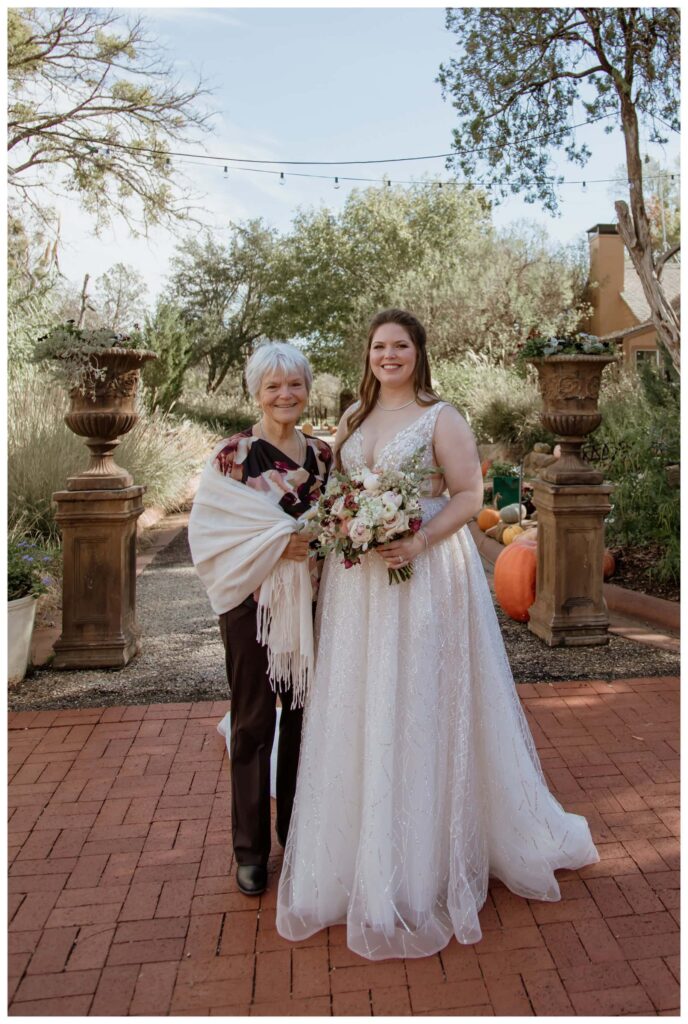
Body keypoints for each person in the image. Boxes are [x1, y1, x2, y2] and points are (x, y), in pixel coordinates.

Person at [276, 309, 598, 959]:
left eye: (399, 346)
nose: (388, 356)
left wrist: (415, 538)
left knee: (418, 707)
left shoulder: (441, 417)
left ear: (419, 354)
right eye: (378, 347)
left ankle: (422, 864)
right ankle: (355, 856)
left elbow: (467, 493)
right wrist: (348, 527)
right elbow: (337, 490)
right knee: (363, 707)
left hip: (424, 580)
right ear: (367, 356)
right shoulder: (354, 421)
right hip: (361, 586)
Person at [189, 343, 332, 897]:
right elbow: (210, 534)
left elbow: (339, 521)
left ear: (307, 389)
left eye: (294, 384)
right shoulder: (231, 455)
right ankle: (249, 851)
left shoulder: (322, 455)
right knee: (252, 723)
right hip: (253, 605)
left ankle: (294, 832)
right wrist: (278, 547)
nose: (285, 395)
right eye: (273, 386)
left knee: (302, 719)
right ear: (256, 392)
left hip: (312, 605)